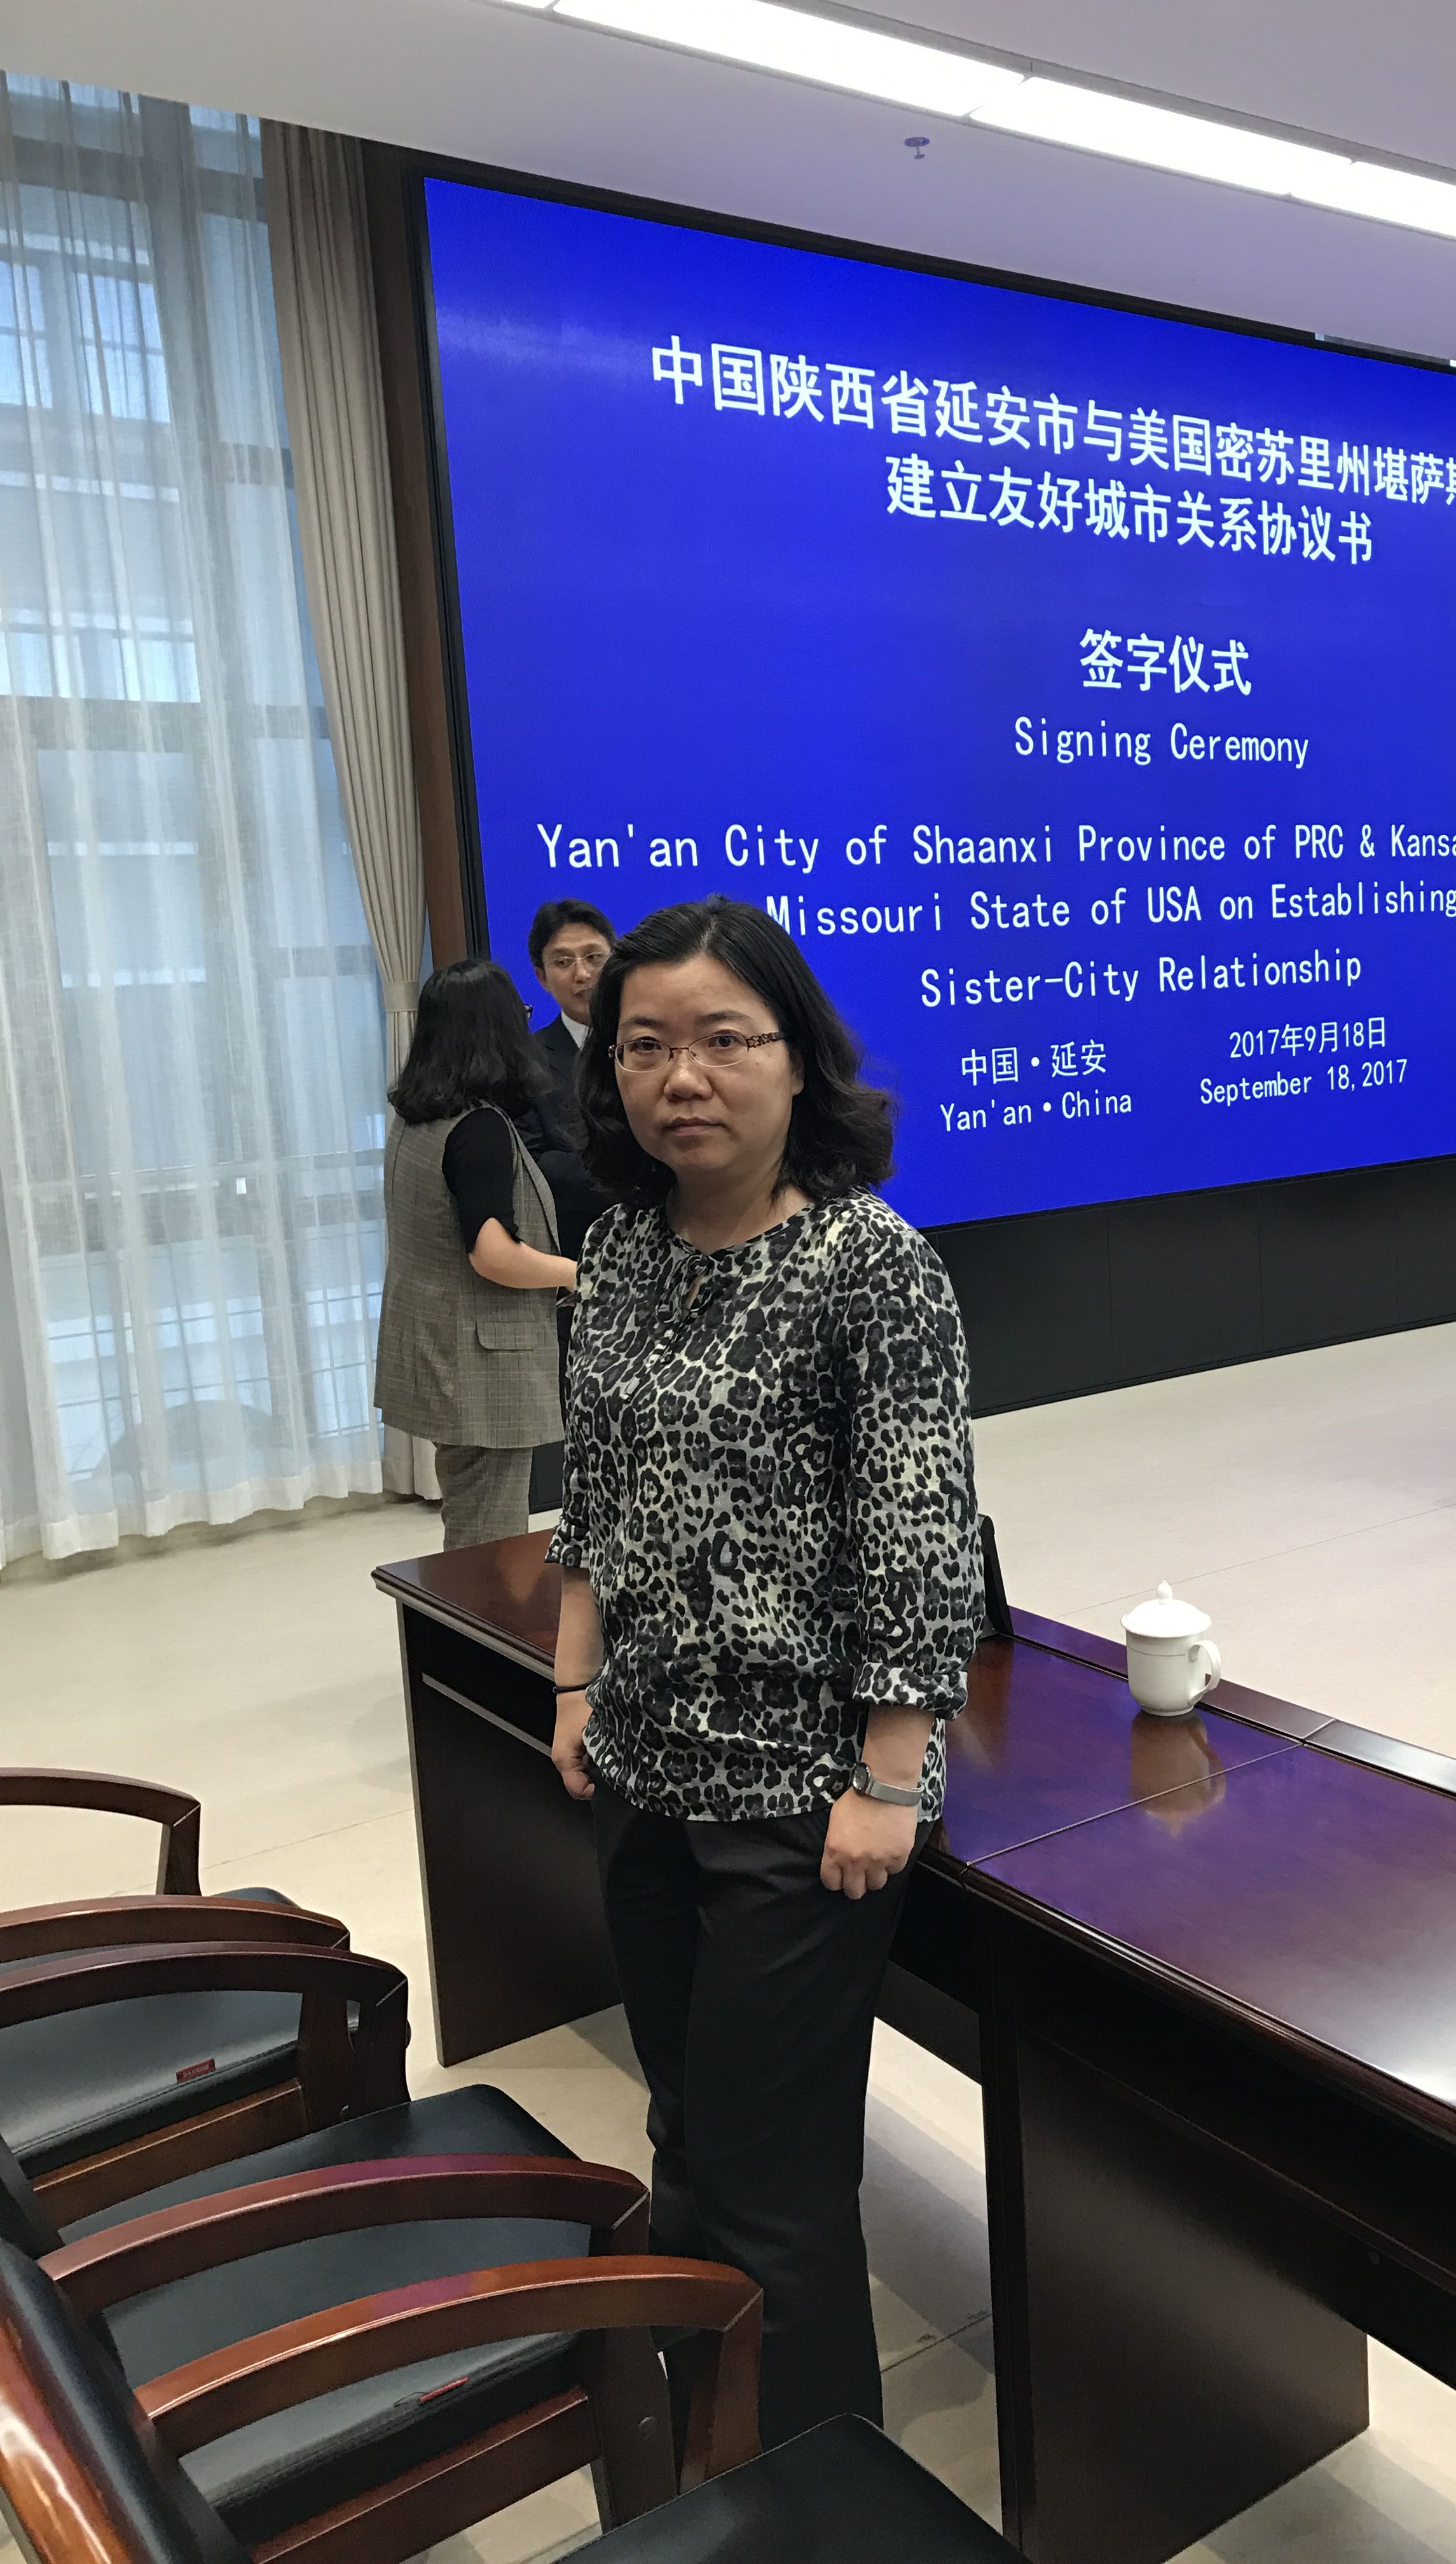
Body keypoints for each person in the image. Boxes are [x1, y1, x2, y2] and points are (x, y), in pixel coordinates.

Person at [546, 895, 981, 2451]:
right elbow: (594, 1494)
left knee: (774, 2180)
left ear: (798, 1060)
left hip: (803, 1798)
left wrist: (886, 1775)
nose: (683, 1078)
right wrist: (575, 1688)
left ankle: (812, 2487)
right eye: (645, 1046)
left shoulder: (874, 1267)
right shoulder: (621, 1247)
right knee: (684, 2123)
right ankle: (708, 2432)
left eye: (724, 1040)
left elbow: (918, 1533)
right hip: (643, 1766)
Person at [376, 959, 577, 1552]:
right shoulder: (478, 1128)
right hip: (483, 1361)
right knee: (488, 1544)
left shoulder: (415, 1117)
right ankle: (474, 1618)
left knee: (470, 1523)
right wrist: (579, 1274)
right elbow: (493, 1254)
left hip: (435, 1349)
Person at [518, 899, 615, 1260]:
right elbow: (534, 1165)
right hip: (578, 1254)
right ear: (542, 977)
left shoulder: (658, 1043)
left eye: (594, 958)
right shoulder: (525, 1061)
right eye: (563, 962)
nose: (583, 975)